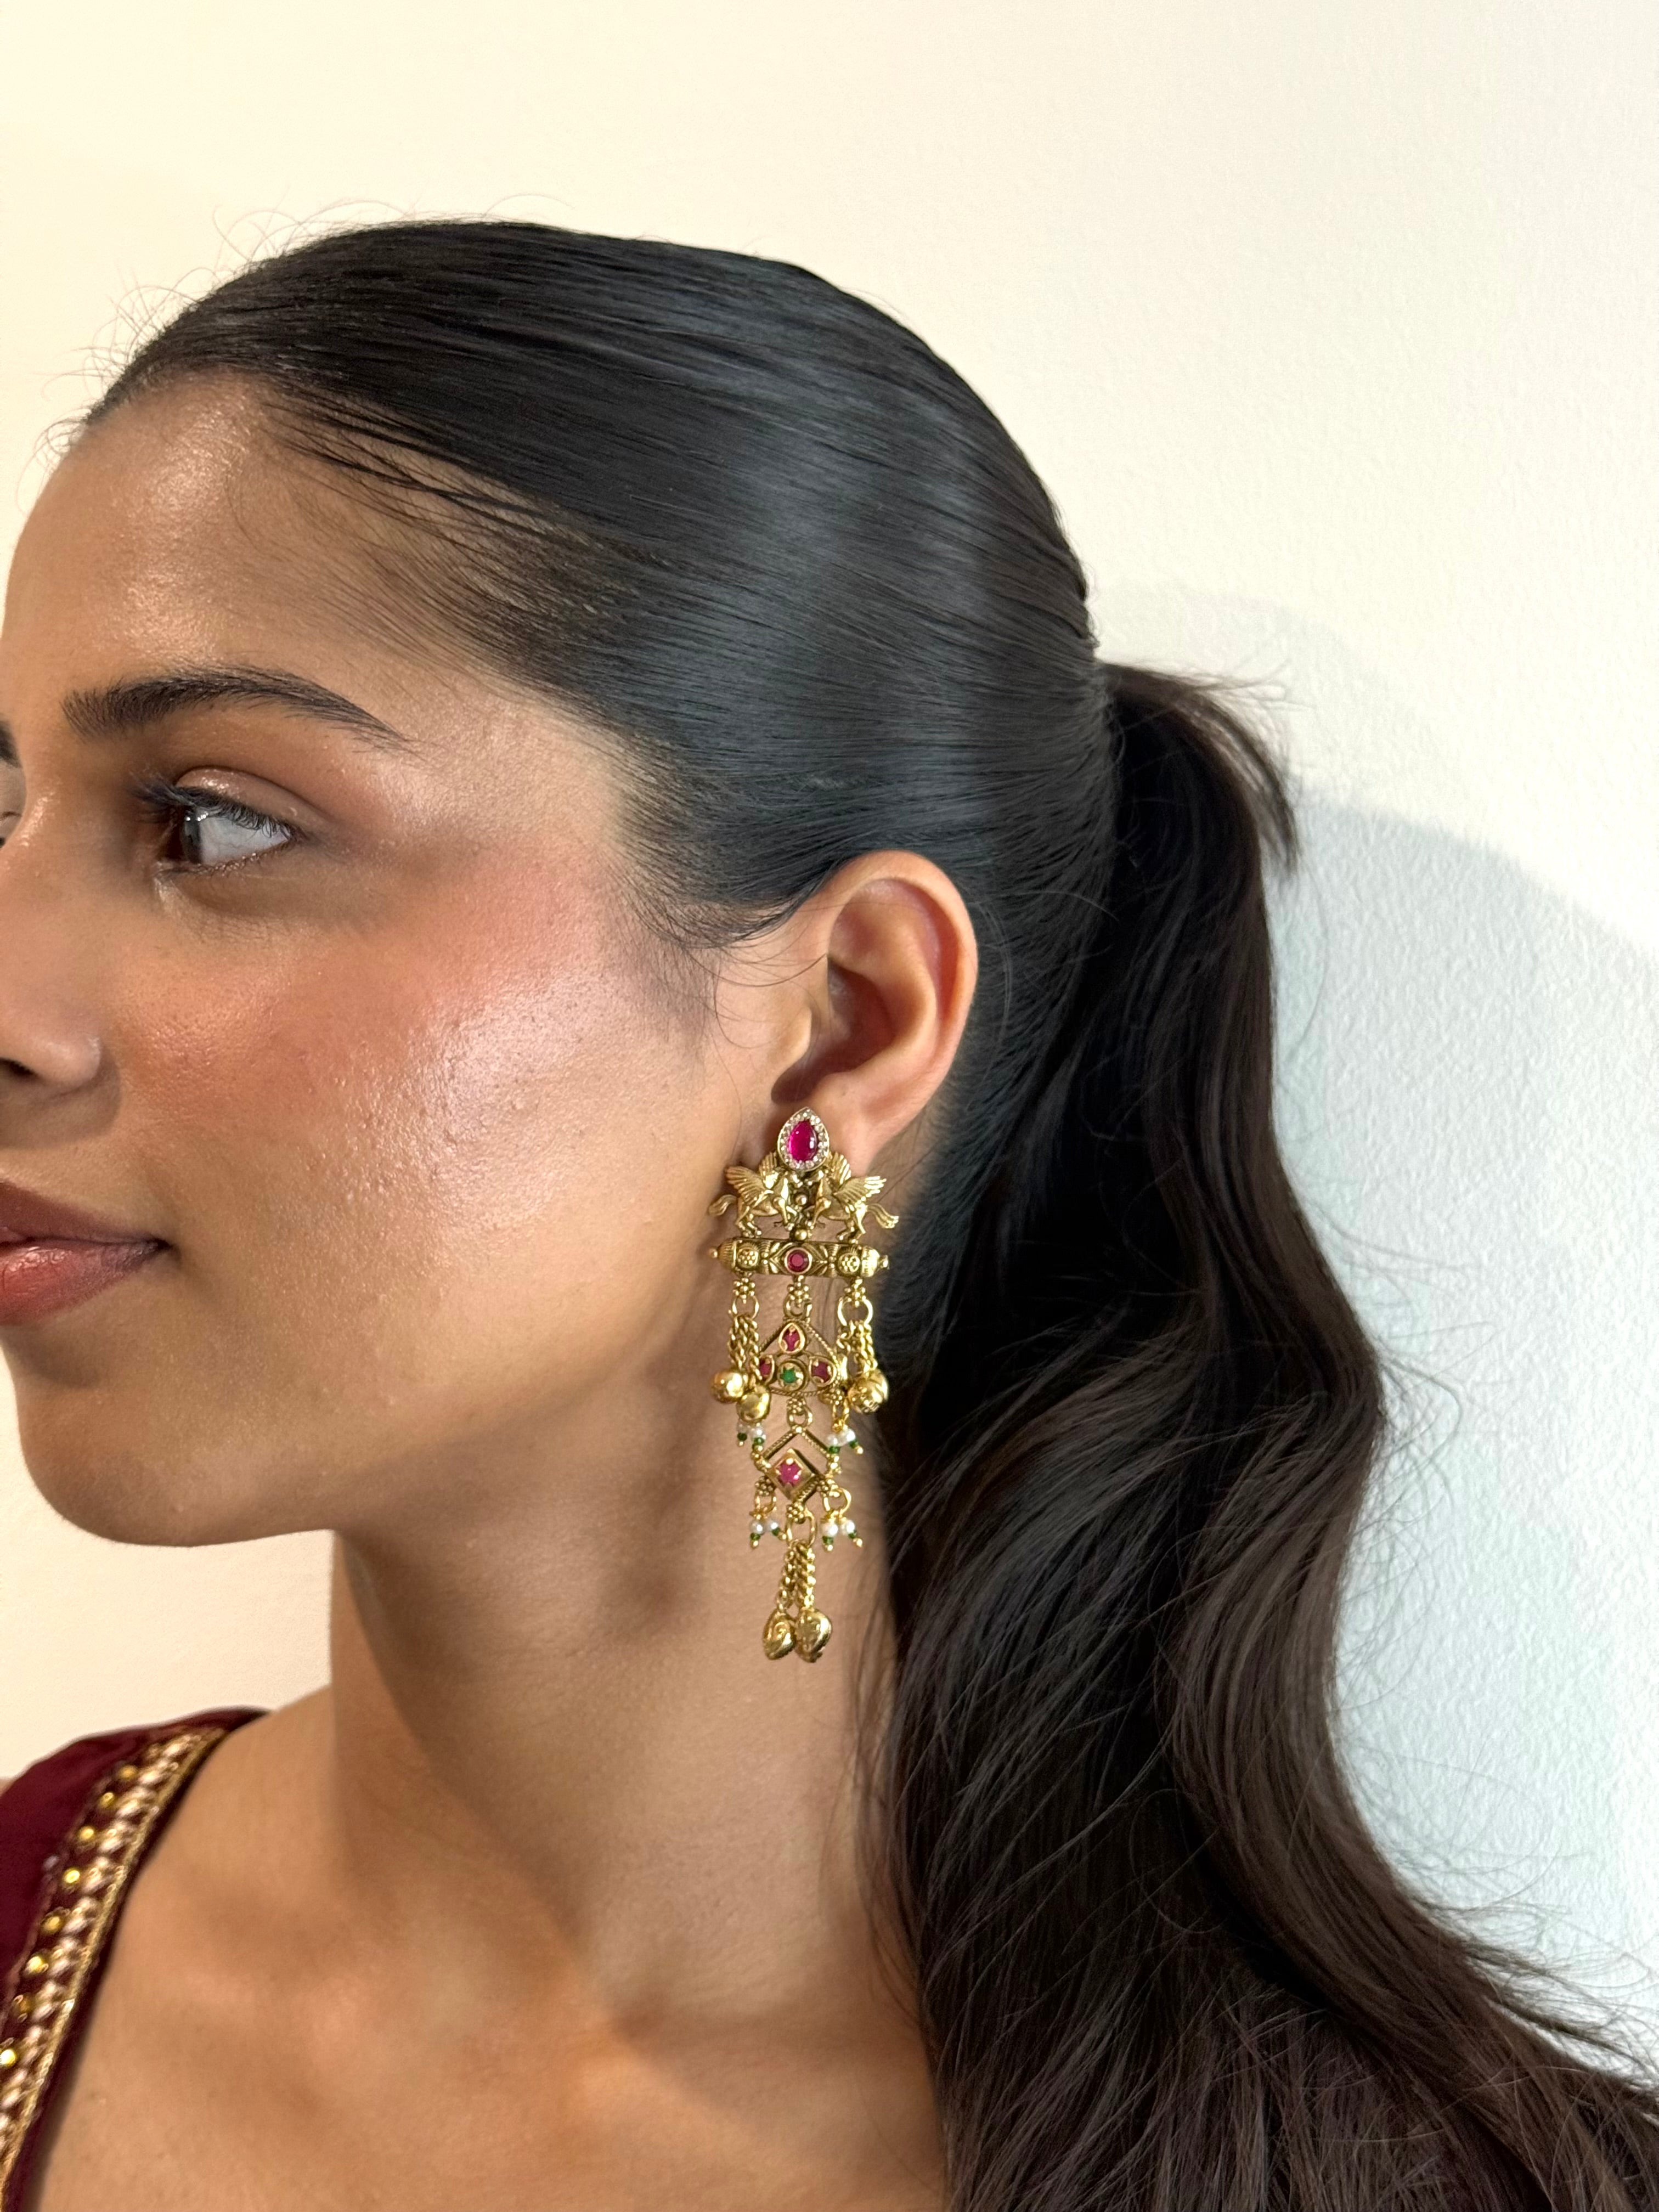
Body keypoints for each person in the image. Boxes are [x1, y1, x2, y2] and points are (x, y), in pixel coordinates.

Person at [0, 218, 1651, 2212]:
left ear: (842, 1025)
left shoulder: (1412, 2179)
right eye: (0, 811)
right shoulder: (32, 1934)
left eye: (212, 824)